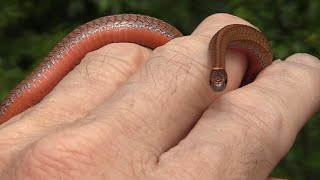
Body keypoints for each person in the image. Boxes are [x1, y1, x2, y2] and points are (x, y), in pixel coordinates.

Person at [0, 13, 319, 180]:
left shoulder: (220, 56)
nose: (218, 86)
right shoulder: (217, 54)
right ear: (214, 74)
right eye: (216, 80)